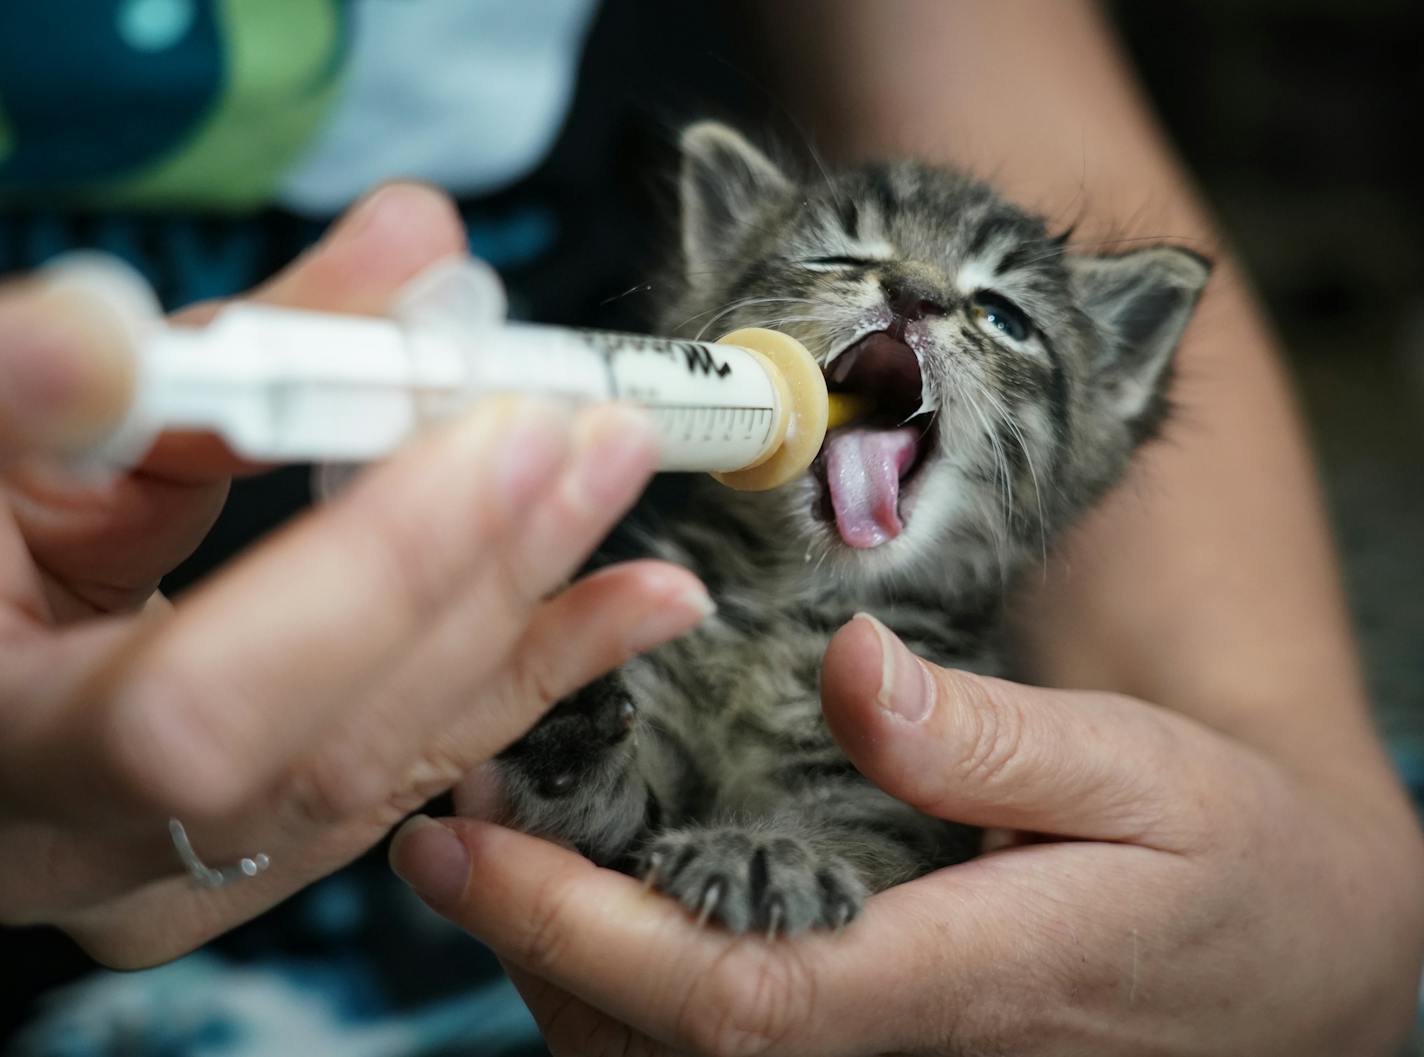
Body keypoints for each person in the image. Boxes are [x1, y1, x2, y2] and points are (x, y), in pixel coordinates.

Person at [2, 3, 1420, 1055]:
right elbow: (569, 825)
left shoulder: (943, 666)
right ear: (711, 315)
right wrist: (573, 740)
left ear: (1099, 420)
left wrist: (1334, 845)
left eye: (996, 315)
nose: (914, 300)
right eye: (839, 262)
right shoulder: (655, 593)